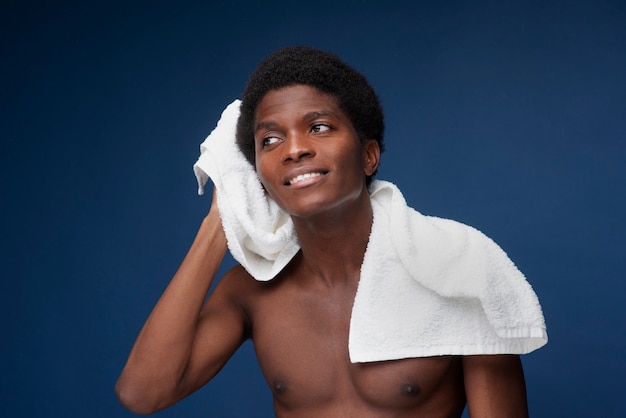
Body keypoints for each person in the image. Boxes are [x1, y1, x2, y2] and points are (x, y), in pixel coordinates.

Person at [116, 46, 545, 417]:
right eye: (269, 140)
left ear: (369, 156)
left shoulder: (457, 270)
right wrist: (219, 222)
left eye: (319, 127)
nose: (295, 148)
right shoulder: (251, 292)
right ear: (256, 176)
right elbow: (143, 394)